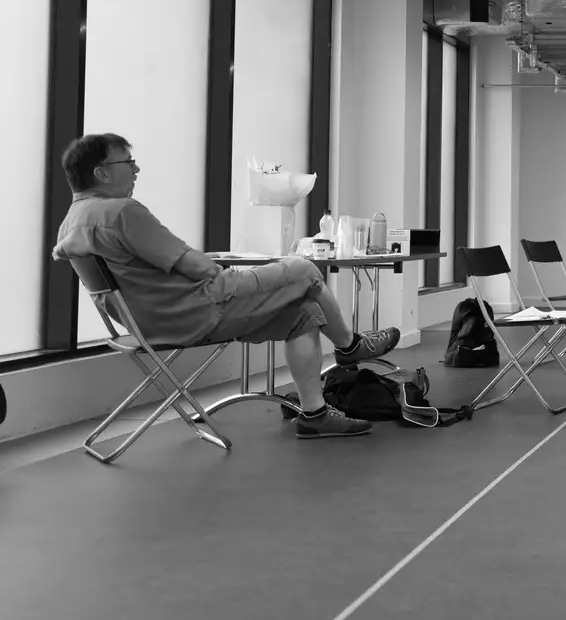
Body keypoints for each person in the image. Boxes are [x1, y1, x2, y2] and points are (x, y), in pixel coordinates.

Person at [52, 134, 401, 439]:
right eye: (129, 162)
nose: (136, 169)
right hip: (196, 310)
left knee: (304, 313)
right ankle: (349, 346)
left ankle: (315, 415)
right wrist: (216, 269)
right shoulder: (121, 212)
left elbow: (148, 268)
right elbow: (194, 266)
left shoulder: (71, 223)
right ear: (101, 172)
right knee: (305, 270)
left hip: (151, 323)